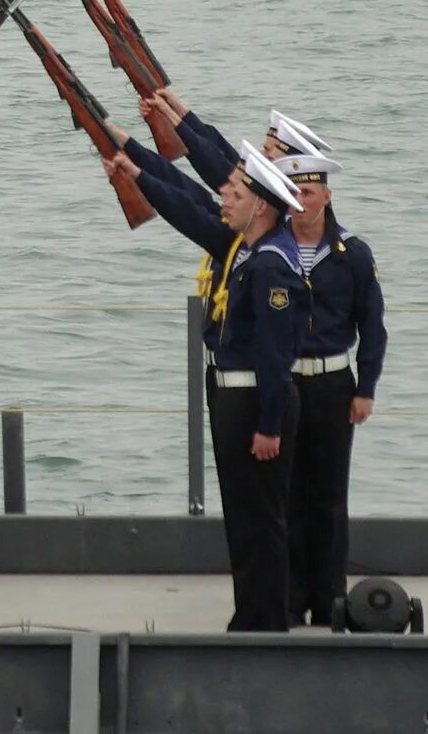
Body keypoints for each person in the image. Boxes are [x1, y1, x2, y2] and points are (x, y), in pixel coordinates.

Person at [113, 132, 309, 630]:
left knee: (260, 519)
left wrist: (268, 424)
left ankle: (266, 619)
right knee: (242, 518)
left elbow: (273, 354)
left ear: (261, 207)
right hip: (233, 392)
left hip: (253, 400)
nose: (227, 198)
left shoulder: (270, 266)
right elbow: (188, 206)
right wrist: (136, 167)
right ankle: (251, 614)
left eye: (237, 196)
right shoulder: (246, 248)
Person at [275, 148, 385, 626]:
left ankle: (329, 598)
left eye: (309, 192)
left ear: (326, 196)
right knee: (286, 493)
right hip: (284, 383)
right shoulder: (269, 250)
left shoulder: (353, 255)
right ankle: (290, 596)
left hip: (333, 385)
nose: (302, 201)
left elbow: (373, 326)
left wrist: (367, 388)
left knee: (328, 496)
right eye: (294, 192)